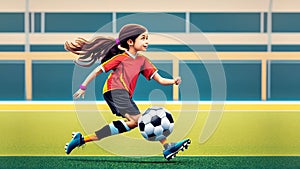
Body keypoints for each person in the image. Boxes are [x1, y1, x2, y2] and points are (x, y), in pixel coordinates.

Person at [64, 24, 191, 160]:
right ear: (130, 42)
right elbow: (97, 70)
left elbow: (159, 79)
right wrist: (83, 87)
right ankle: (167, 147)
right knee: (141, 120)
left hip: (123, 94)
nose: (147, 41)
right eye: (143, 38)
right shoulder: (120, 58)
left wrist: (173, 81)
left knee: (134, 122)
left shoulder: (143, 61)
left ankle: (82, 139)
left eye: (147, 38)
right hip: (114, 91)